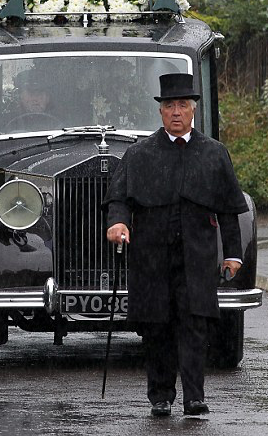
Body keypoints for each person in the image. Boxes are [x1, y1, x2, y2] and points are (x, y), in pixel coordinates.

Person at [103, 73, 248, 417]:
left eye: (183, 105)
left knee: (194, 325)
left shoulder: (214, 154)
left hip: (196, 257)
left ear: (193, 110)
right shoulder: (140, 154)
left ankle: (195, 396)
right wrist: (118, 222)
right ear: (161, 112)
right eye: (170, 105)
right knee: (157, 327)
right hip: (151, 257)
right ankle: (161, 396)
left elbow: (229, 210)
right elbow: (119, 200)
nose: (177, 112)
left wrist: (232, 254)